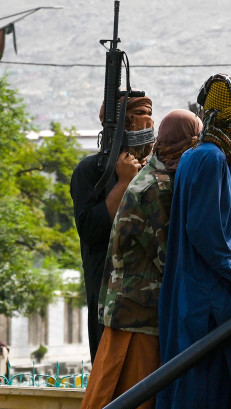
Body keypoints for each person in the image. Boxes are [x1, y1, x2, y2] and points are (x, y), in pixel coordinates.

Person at [156, 74, 231, 409]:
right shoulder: (213, 159)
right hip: (204, 301)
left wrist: (229, 218)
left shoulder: (194, 156)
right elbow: (203, 231)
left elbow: (201, 219)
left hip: (187, 294)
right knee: (201, 400)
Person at [80, 109, 203, 409]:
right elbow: (170, 258)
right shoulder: (156, 188)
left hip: (135, 316)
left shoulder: (155, 177)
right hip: (137, 321)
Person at [71, 96, 155, 361]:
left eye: (149, 114)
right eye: (140, 114)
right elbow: (90, 230)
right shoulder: (90, 171)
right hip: (107, 298)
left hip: (148, 301)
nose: (148, 122)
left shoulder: (156, 172)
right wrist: (123, 183)